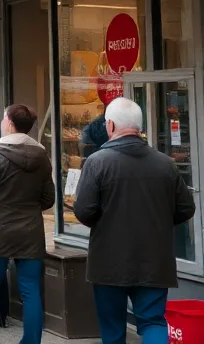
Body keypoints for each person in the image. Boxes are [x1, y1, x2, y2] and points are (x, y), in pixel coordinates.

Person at [74, 97, 195, 344]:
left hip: (108, 262)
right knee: (153, 322)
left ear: (110, 125)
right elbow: (185, 209)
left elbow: (84, 212)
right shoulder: (166, 164)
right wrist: (157, 221)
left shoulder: (97, 162)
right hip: (155, 259)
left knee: (113, 329)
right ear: (139, 128)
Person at [0, 104, 54, 344]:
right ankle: (31, 341)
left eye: (4, 117)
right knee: (31, 290)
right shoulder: (42, 157)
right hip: (30, 232)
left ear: (9, 122)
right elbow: (49, 198)